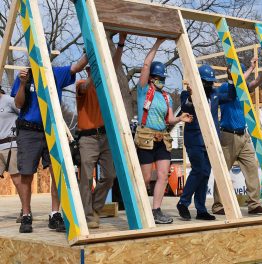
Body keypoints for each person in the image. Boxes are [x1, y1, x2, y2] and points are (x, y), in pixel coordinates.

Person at [11, 53, 88, 233]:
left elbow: (77, 66)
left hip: (51, 130)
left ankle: (55, 214)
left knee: (57, 171)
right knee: (26, 173)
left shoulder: (55, 73)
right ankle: (26, 215)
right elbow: (19, 104)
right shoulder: (25, 76)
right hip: (29, 130)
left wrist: (88, 49)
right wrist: (22, 84)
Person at [133, 37, 192, 224]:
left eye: (163, 78)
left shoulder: (166, 97)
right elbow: (145, 64)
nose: (161, 81)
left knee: (163, 175)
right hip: (146, 137)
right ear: (151, 78)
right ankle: (140, 209)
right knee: (144, 177)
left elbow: (168, 119)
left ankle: (156, 210)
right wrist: (158, 43)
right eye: (158, 78)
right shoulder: (144, 90)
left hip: (162, 138)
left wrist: (180, 118)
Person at [75, 33, 126, 228]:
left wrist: (120, 43)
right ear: (88, 69)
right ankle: (88, 216)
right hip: (87, 138)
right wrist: (93, 57)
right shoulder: (82, 85)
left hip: (105, 136)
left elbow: (114, 66)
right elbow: (88, 84)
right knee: (87, 178)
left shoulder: (105, 84)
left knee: (109, 176)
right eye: (92, 68)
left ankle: (95, 208)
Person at [212, 58, 262, 215]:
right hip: (228, 136)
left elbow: (256, 82)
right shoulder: (225, 88)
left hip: (243, 135)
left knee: (252, 168)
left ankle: (254, 204)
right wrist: (249, 70)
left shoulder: (243, 89)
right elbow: (234, 90)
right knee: (224, 171)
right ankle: (218, 206)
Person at [176, 64, 235, 221]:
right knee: (199, 170)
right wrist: (190, 96)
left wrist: (230, 80)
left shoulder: (215, 94)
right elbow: (185, 106)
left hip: (211, 141)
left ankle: (201, 209)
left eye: (211, 82)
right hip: (195, 139)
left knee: (205, 173)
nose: (209, 85)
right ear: (199, 81)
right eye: (206, 82)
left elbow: (230, 96)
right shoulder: (187, 94)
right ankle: (183, 202)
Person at [0, 86, 21, 219]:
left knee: (16, 178)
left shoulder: (8, 100)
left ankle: (25, 210)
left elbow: (24, 114)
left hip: (12, 144)